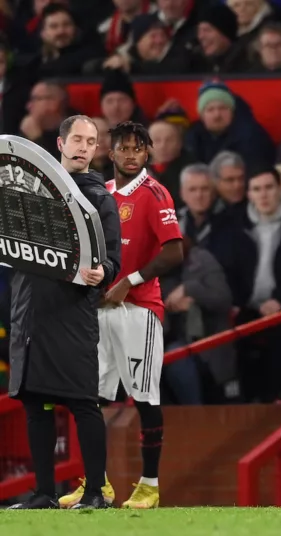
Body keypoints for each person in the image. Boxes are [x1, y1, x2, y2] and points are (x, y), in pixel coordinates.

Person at [59, 122, 184, 509]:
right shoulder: (103, 192)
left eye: (138, 148)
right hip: (99, 309)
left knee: (144, 397)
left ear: (148, 153)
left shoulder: (154, 192)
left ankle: (149, 485)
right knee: (89, 397)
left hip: (138, 309)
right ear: (109, 154)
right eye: (123, 149)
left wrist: (128, 282)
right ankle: (97, 483)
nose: (130, 155)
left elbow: (174, 252)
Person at [7, 115, 122, 509]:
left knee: (82, 402)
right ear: (60, 143)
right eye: (77, 139)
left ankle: (95, 493)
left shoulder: (101, 198)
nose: (84, 147)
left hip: (73, 314)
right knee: (35, 404)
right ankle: (43, 494)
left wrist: (101, 272)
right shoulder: (28, 190)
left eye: (91, 142)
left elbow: (113, 261)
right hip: (29, 308)